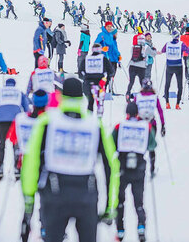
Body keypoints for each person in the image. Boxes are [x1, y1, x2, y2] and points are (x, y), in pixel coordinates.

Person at [20, 78, 119, 242]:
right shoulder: (95, 123)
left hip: (54, 193)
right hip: (86, 193)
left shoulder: (47, 121)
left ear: (61, 96)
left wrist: (29, 196)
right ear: (82, 97)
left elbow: (31, 161)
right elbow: (112, 165)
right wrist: (110, 204)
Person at [112, 102, 156, 242]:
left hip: (122, 167)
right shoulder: (145, 126)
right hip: (139, 167)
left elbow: (110, 144)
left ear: (127, 113)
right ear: (137, 113)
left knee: (120, 201)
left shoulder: (120, 126)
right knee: (138, 202)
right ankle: (141, 228)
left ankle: (119, 230)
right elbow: (152, 145)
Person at [9, 90, 48, 240]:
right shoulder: (49, 120)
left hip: (26, 165)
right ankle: (44, 227)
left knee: (28, 201)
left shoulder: (21, 119)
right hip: (45, 166)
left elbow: (12, 139)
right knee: (45, 199)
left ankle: (25, 229)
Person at [0, 78, 30, 180]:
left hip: (2, 121)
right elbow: (26, 107)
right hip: (15, 122)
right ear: (14, 84)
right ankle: (16, 168)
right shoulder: (19, 92)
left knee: (2, 145)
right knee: (16, 145)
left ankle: (1, 167)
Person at [134, 79, 166, 176]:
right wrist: (163, 125)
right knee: (151, 146)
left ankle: (138, 167)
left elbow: (132, 109)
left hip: (140, 124)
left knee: (140, 146)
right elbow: (160, 111)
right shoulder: (154, 97)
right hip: (151, 124)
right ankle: (152, 168)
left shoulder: (138, 96)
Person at [78, 43, 115, 112]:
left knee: (90, 102)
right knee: (100, 103)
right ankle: (99, 119)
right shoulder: (103, 58)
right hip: (100, 83)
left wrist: (85, 78)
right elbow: (111, 71)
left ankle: (89, 117)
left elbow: (80, 72)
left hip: (88, 84)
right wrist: (107, 78)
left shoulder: (87, 58)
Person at [161, 32, 189, 109]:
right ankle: (177, 104)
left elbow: (163, 50)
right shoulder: (181, 44)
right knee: (179, 86)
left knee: (167, 85)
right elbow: (188, 51)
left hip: (169, 66)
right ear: (178, 37)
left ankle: (167, 103)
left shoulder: (167, 44)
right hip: (178, 66)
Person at [94, 21, 121, 93]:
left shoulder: (110, 36)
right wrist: (102, 49)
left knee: (110, 74)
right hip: (104, 57)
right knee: (104, 75)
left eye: (110, 27)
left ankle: (109, 90)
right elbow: (95, 44)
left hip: (111, 58)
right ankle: (102, 90)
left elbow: (113, 47)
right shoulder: (101, 35)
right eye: (108, 26)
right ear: (105, 27)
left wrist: (118, 54)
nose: (109, 28)